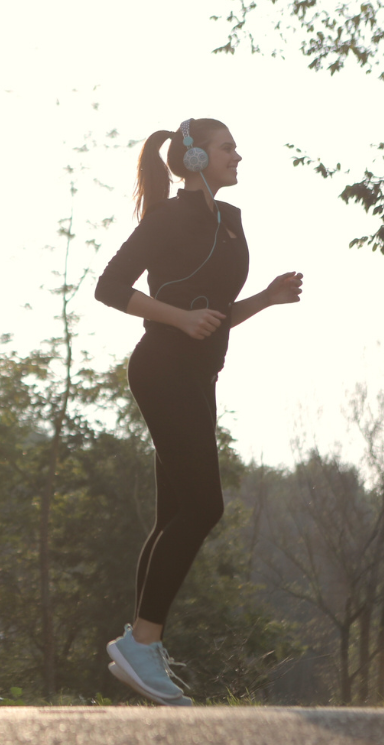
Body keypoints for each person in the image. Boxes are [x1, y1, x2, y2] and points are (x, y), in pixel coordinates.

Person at [94, 118, 303, 706]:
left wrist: (265, 298)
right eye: (227, 148)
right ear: (194, 157)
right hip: (162, 368)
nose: (238, 155)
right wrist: (178, 318)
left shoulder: (229, 222)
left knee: (175, 514)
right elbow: (109, 287)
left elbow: (213, 313)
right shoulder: (166, 219)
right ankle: (141, 642)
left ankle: (142, 647)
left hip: (197, 375)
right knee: (204, 506)